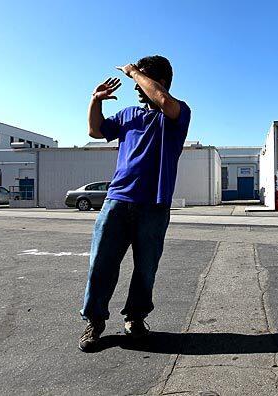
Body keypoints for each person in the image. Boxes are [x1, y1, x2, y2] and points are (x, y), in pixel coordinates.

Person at [78, 55, 191, 352]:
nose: (136, 88)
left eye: (141, 81)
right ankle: (95, 322)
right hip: (117, 200)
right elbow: (95, 130)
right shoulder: (128, 114)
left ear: (159, 81)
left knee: (145, 268)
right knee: (101, 265)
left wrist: (132, 71)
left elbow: (163, 99)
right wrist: (96, 100)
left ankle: (135, 319)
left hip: (153, 205)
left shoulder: (176, 114)